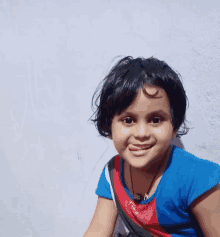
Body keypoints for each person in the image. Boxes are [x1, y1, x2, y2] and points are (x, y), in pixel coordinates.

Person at [83, 56, 220, 237]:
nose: (141, 133)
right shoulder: (112, 174)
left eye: (155, 120)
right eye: (128, 120)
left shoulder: (197, 179)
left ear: (174, 125)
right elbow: (97, 231)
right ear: (109, 126)